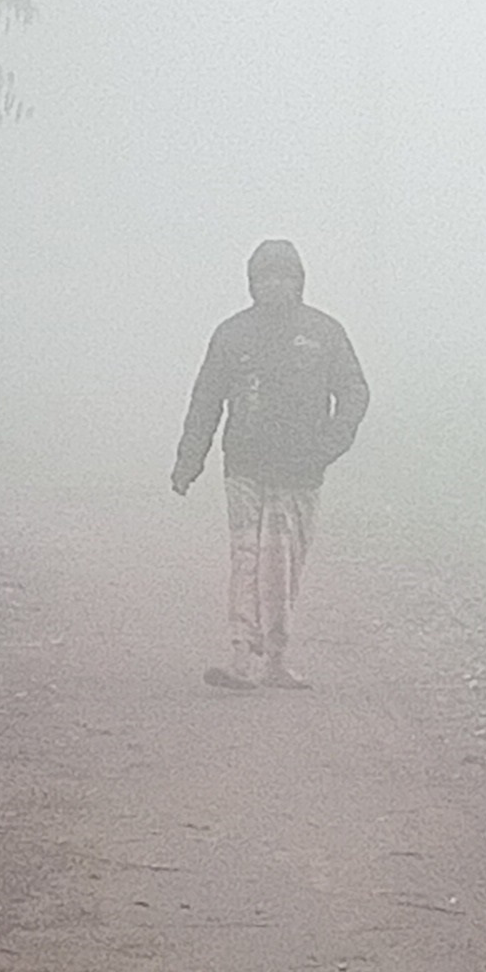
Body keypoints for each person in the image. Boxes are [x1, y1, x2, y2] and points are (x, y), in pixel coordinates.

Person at [170, 239, 370, 690]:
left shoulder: (324, 333)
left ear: (299, 281)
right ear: (251, 283)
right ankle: (241, 654)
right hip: (244, 464)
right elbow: (206, 401)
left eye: (284, 276)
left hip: (301, 470)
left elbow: (355, 391)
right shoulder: (232, 335)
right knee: (247, 557)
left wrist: (330, 443)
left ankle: (276, 658)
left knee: (282, 563)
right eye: (264, 277)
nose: (274, 285)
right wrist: (189, 460)